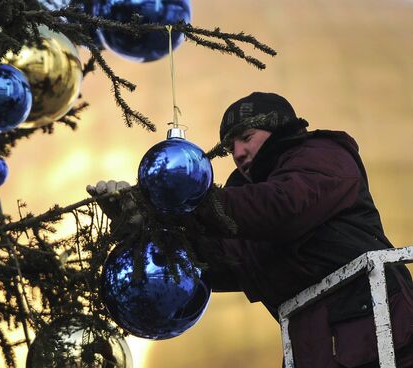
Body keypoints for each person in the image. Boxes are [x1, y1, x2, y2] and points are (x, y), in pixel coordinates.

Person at [87, 92, 413, 368]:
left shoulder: (323, 156)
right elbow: (214, 262)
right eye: (229, 149)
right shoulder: (245, 214)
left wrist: (188, 203)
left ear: (278, 131)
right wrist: (145, 225)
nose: (238, 154)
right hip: (321, 348)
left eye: (246, 137)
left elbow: (281, 207)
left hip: (389, 334)